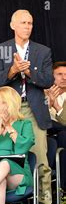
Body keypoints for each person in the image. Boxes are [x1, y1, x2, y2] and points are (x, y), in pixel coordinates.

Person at [0, 9, 54, 204]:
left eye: (30, 23)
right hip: (9, 111)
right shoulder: (0, 50)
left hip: (33, 111)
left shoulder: (42, 51)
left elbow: (47, 81)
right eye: (23, 23)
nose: (27, 26)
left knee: (41, 162)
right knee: (6, 160)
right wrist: (13, 71)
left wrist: (28, 72)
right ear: (13, 25)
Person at [45, 61, 66, 189]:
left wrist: (56, 106)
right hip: (45, 136)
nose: (64, 77)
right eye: (59, 74)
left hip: (62, 139)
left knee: (64, 135)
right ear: (51, 76)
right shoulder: (41, 93)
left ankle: (61, 189)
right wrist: (47, 105)